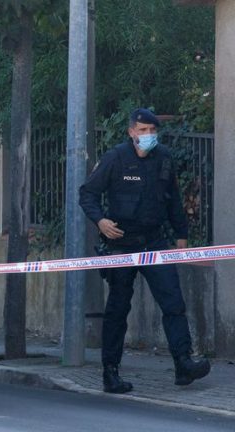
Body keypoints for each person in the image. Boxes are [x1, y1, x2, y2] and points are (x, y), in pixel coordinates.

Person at [79, 108, 210, 394]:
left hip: (154, 243)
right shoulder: (115, 158)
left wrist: (182, 235)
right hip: (121, 245)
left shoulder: (163, 158)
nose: (148, 135)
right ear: (131, 132)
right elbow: (87, 193)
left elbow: (173, 199)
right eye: (142, 130)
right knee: (117, 309)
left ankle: (183, 364)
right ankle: (110, 373)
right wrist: (100, 221)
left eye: (152, 130)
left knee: (173, 302)